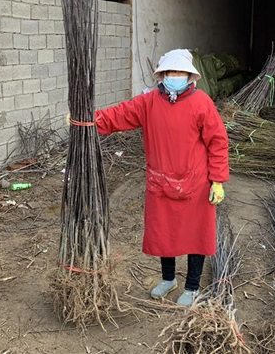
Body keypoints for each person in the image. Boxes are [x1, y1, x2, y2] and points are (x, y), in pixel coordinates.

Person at [94, 49, 229, 306]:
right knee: (163, 233)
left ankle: (191, 287)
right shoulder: (149, 102)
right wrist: (90, 121)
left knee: (196, 235)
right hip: (161, 181)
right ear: (162, 75)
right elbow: (119, 115)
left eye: (179, 72)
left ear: (190, 76)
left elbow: (218, 143)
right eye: (169, 72)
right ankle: (168, 279)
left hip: (195, 182)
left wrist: (218, 180)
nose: (173, 76)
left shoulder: (202, 103)